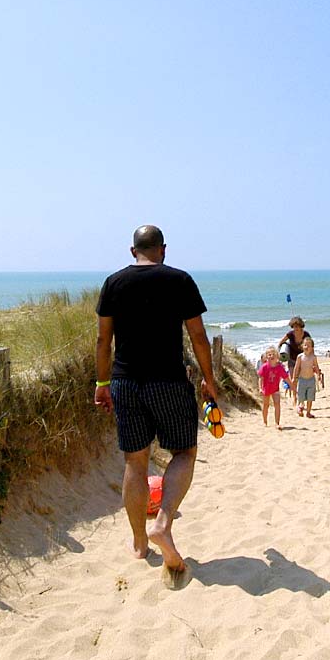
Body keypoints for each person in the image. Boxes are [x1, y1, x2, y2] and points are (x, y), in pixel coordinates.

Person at [94, 225, 220, 587]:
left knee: (135, 461)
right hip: (168, 381)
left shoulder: (113, 283)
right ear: (163, 249)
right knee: (184, 452)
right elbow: (198, 336)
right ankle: (162, 522)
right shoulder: (179, 280)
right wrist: (210, 382)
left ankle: (138, 543)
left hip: (125, 383)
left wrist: (102, 383)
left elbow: (104, 339)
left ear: (132, 250)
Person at [292, 337, 325, 417]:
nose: (307, 347)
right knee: (301, 396)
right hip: (302, 379)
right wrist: (294, 377)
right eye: (305, 345)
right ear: (302, 346)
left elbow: (316, 367)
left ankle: (308, 412)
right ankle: (300, 406)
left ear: (312, 348)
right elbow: (296, 368)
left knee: (310, 397)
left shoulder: (313, 357)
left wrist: (318, 375)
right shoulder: (300, 357)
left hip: (311, 380)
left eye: (309, 346)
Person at [258, 349, 289, 429]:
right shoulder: (264, 367)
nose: (271, 356)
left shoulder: (279, 367)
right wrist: (260, 388)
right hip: (266, 388)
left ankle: (277, 423)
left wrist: (292, 386)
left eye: (273, 354)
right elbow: (260, 378)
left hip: (275, 389)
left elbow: (285, 377)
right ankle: (265, 421)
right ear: (266, 357)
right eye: (269, 355)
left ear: (277, 357)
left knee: (277, 404)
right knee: (266, 405)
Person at [277, 317, 311, 386]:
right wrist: (280, 353)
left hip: (302, 360)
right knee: (293, 379)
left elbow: (310, 347)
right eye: (294, 327)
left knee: (302, 379)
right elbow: (280, 342)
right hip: (292, 359)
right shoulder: (290, 334)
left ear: (301, 326)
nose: (296, 329)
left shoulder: (306, 335)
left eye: (297, 327)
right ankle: (295, 396)